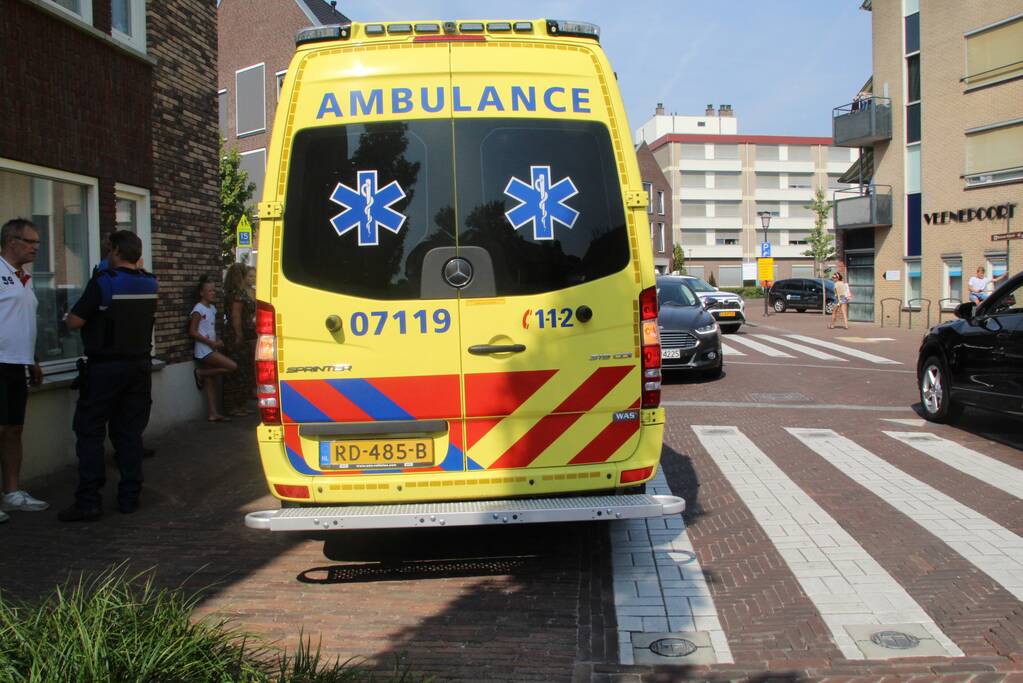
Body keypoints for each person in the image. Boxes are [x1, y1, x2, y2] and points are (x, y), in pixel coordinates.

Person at [59, 230, 157, 522]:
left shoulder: (104, 283)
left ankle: (89, 501)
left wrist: (67, 315)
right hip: (139, 368)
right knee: (129, 433)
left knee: (90, 432)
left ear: (115, 251)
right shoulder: (150, 282)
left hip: (105, 369)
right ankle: (130, 497)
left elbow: (75, 322)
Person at [0, 219, 50, 523]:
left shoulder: (25, 277)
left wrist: (32, 359)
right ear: (10, 240)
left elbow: (21, 323)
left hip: (18, 363)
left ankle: (13, 492)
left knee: (14, 430)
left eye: (38, 243)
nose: (36, 248)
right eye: (31, 242)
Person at [191, 276, 237, 422]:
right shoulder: (198, 309)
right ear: (201, 293)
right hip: (204, 350)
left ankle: (213, 413)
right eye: (209, 290)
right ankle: (200, 372)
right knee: (232, 366)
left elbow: (210, 329)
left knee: (211, 381)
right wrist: (211, 344)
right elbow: (193, 331)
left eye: (213, 290)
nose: (212, 293)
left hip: (212, 347)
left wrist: (217, 341)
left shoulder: (212, 308)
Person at [222, 264, 255, 417]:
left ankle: (239, 405)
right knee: (239, 371)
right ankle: (234, 406)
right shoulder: (238, 294)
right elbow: (236, 315)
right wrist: (239, 334)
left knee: (244, 370)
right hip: (237, 336)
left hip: (243, 334)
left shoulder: (232, 292)